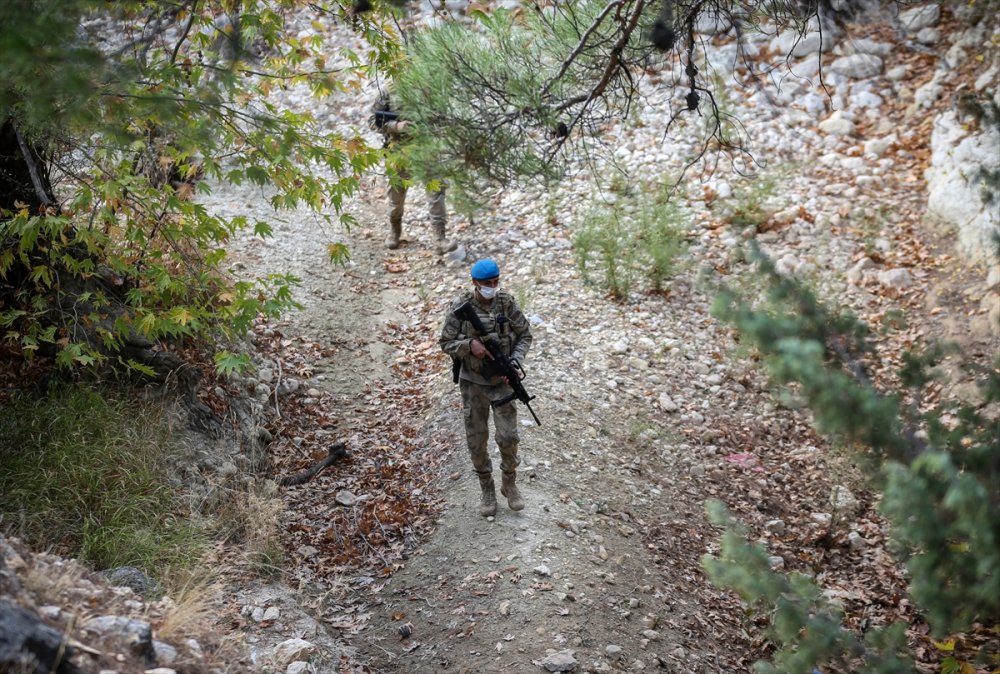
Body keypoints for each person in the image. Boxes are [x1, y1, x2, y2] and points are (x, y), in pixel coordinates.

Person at [439, 259, 534, 517]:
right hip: (473, 384)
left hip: (502, 382)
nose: (492, 287)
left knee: (508, 437)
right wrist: (469, 345)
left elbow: (525, 335)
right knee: (477, 440)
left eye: (495, 282)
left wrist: (514, 362)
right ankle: (487, 488)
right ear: (475, 283)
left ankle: (509, 483)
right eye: (486, 284)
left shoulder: (506, 303)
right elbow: (445, 341)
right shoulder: (461, 307)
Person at [369, 89, 457, 255]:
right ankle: (395, 229)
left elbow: (444, 118)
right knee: (396, 196)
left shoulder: (428, 85)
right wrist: (397, 126)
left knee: (436, 192)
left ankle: (439, 238)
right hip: (399, 151)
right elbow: (373, 121)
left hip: (426, 149)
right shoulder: (388, 92)